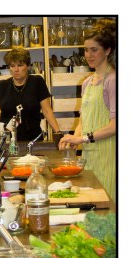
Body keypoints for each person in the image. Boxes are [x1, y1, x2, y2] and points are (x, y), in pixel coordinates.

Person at [58, 19, 116, 203]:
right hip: (90, 156)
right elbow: (84, 120)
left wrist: (82, 139)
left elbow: (116, 125)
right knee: (93, 204)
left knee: (108, 207)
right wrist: (73, 139)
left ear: (108, 50)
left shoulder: (113, 80)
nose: (89, 55)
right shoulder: (87, 82)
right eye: (86, 50)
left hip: (109, 156)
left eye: (94, 50)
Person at [0, 48, 61, 142]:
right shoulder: (2, 86)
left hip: (34, 140)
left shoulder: (37, 82)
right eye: (12, 66)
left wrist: (58, 133)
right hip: (8, 140)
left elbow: (47, 110)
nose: (16, 70)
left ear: (28, 66)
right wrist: (1, 116)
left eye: (20, 65)